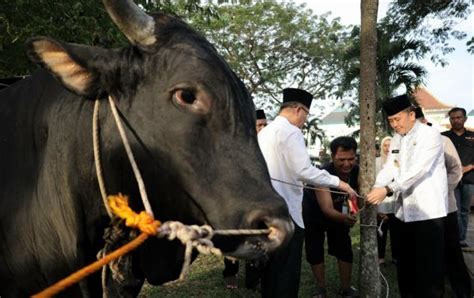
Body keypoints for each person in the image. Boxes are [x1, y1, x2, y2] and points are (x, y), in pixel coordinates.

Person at [258, 88, 357, 298]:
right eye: (306, 115)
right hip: (287, 213)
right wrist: (339, 183)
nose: (304, 121)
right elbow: (304, 170)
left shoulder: (265, 131)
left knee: (271, 270)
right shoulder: (291, 131)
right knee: (286, 271)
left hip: (265, 209)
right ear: (298, 109)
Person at [367, 94, 448, 297]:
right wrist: (377, 186)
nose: (394, 124)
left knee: (429, 270)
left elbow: (417, 170)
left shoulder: (430, 135)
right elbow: (390, 168)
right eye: (391, 121)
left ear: (412, 115)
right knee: (405, 267)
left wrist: (386, 190)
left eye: (398, 119)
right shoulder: (396, 139)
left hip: (428, 213)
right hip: (403, 213)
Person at [415, 107, 471, 297]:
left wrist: (440, 191)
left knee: (452, 249)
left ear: (423, 121)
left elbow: (456, 170)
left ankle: (462, 291)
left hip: (444, 206)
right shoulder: (406, 144)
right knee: (428, 253)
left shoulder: (442, 140)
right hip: (420, 210)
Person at [302, 136, 360, 298]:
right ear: (333, 156)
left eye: (351, 159)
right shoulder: (322, 173)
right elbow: (326, 209)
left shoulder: (357, 170)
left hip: (339, 211)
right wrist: (345, 218)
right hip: (314, 212)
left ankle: (346, 288)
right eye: (341, 159)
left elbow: (356, 197)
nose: (347, 164)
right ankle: (320, 289)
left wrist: (352, 213)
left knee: (344, 246)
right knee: (315, 248)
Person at [222, 109, 268, 290]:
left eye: (265, 124)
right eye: (260, 125)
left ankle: (253, 277)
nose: (263, 128)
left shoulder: (268, 145)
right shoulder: (237, 145)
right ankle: (230, 274)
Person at [442, 107, 474, 248]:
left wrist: (469, 167)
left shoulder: (473, 136)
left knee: (464, 210)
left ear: (465, 118)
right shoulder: (443, 136)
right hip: (450, 178)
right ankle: (455, 238)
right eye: (452, 118)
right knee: (453, 209)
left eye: (458, 117)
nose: (455, 120)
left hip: (469, 178)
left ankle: (461, 238)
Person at [375, 136, 399, 266]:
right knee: (381, 231)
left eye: (391, 145)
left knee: (396, 231)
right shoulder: (376, 162)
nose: (388, 148)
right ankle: (380, 257)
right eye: (385, 145)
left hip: (396, 202)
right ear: (381, 147)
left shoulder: (398, 161)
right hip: (381, 202)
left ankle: (396, 256)